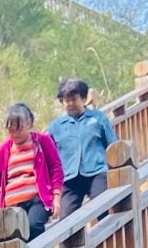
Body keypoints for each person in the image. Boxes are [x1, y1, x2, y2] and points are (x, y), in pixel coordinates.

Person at [0, 103, 63, 239]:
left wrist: (56, 197)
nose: (14, 134)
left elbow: (56, 169)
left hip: (37, 199)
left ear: (29, 123)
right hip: (13, 203)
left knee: (33, 227)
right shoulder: (5, 149)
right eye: (10, 131)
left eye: (18, 129)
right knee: (12, 236)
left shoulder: (42, 141)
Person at [48, 78, 117, 218]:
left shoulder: (98, 119)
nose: (70, 104)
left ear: (84, 99)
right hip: (69, 177)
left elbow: (113, 145)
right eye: (66, 100)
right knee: (66, 219)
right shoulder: (55, 127)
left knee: (102, 209)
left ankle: (104, 239)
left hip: (97, 173)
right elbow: (49, 156)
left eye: (74, 99)